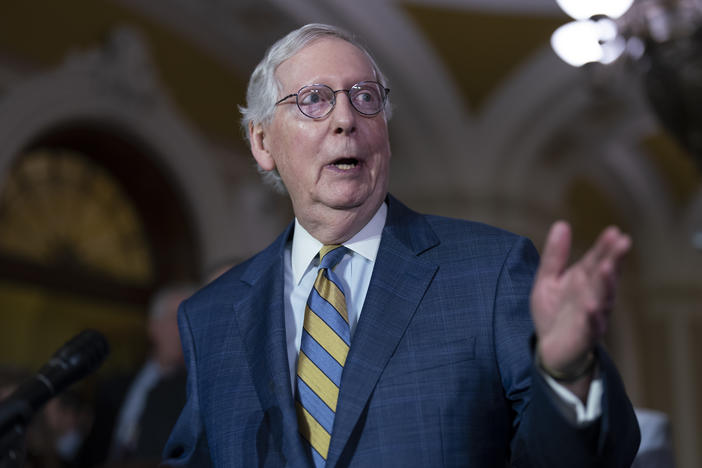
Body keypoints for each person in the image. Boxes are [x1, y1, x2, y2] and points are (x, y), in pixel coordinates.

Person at [163, 23, 640, 467]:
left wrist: (568, 374)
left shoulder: (490, 272)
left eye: (365, 97)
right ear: (262, 143)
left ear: (385, 135)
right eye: (314, 99)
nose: (346, 119)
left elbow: (593, 454)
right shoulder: (211, 316)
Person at [79, 284, 195, 467]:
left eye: (190, 321)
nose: (182, 328)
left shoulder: (194, 393)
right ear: (153, 326)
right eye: (175, 319)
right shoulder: (112, 386)